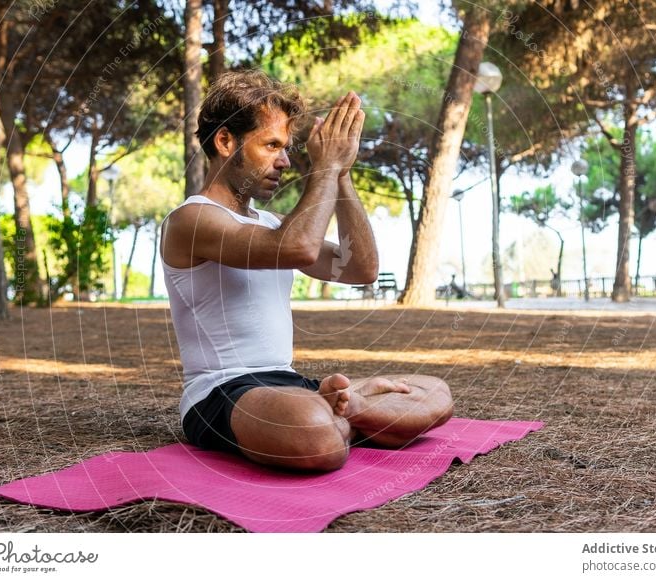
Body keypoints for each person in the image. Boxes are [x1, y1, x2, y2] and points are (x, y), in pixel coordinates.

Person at [160, 70, 453, 472]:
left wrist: (342, 173)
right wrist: (326, 168)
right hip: (222, 390)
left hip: (290, 385)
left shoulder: (270, 223)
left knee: (435, 391)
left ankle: (344, 408)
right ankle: (345, 412)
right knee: (316, 437)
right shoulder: (191, 220)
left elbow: (360, 268)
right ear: (226, 141)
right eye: (271, 145)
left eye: (287, 147)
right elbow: (297, 247)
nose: (284, 160)